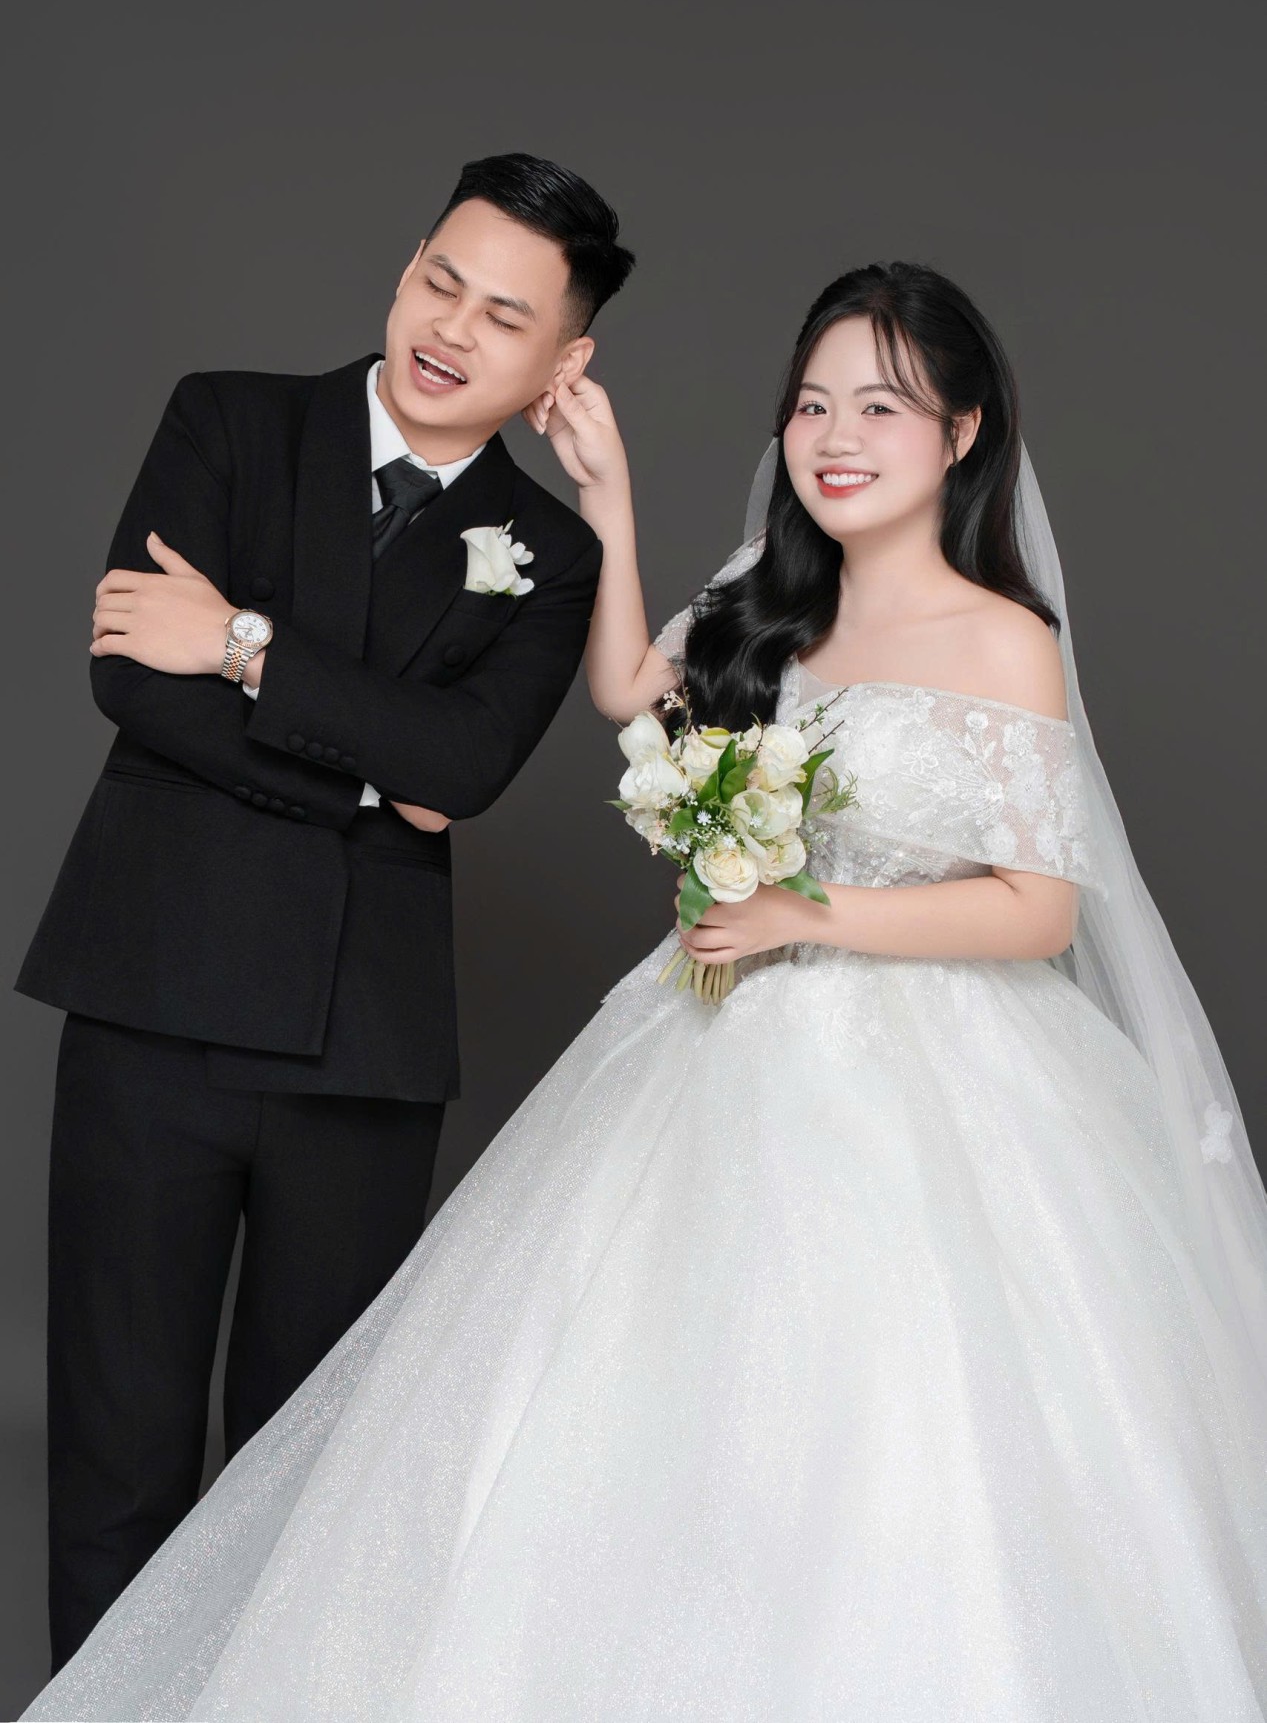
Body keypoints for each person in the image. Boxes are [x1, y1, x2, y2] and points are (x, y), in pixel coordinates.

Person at [23, 263, 1267, 1721]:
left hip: (935, 1068)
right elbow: (628, 688)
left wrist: (804, 911)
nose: (836, 437)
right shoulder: (764, 595)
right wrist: (606, 498)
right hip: (720, 1036)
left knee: (896, 1423)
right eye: (812, 404)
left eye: (881, 406)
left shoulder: (1004, 638)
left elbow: (1038, 908)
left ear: (964, 433)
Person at [14, 151, 634, 1672]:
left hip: (362, 1053)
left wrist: (238, 642)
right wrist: (373, 777)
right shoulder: (230, 420)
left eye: (504, 317)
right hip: (152, 1000)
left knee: (303, 1478)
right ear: (408, 262)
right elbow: (130, 679)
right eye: (439, 280)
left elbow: (467, 769)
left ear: (565, 362)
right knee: (115, 1450)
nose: (450, 330)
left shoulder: (553, 552)